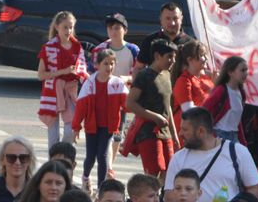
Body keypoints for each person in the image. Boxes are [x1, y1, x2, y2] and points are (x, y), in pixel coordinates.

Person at [164, 107, 258, 202]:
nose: (180, 134)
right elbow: (169, 198)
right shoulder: (178, 158)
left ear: (201, 131)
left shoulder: (237, 151)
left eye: (185, 130)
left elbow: (255, 189)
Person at [73, 49, 128, 192]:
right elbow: (81, 107)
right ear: (97, 65)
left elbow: (128, 104)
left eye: (112, 63)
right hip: (92, 125)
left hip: (108, 126)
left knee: (102, 155)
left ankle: (101, 189)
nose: (109, 67)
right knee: (90, 156)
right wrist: (76, 127)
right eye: (106, 63)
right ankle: (85, 178)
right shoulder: (89, 83)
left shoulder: (118, 83)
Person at [124, 40, 178, 178]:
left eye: (174, 57)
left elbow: (167, 106)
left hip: (166, 133)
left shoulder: (167, 75)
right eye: (169, 57)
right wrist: (155, 117)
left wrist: (174, 134)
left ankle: (161, 193)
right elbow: (130, 103)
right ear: (157, 56)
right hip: (148, 133)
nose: (173, 61)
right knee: (153, 174)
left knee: (169, 172)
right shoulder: (144, 76)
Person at [37, 11, 87, 147]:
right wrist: (63, 72)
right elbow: (41, 75)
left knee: (70, 130)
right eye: (65, 27)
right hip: (52, 91)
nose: (68, 31)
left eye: (71, 27)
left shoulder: (77, 47)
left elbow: (83, 69)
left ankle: (63, 153)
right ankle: (54, 158)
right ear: (57, 27)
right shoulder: (49, 47)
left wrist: (81, 74)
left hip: (70, 91)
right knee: (53, 134)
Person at [134, 2, 194, 75]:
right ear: (161, 19)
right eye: (168, 18)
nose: (172, 23)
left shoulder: (191, 43)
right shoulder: (150, 41)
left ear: (181, 19)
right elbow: (139, 68)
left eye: (175, 18)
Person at [0, 136, 35, 202]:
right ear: (2, 160)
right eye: (11, 157)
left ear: (29, 161)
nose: (17, 162)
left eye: (23, 158)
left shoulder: (36, 191)